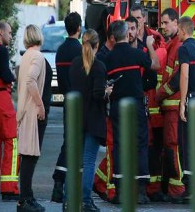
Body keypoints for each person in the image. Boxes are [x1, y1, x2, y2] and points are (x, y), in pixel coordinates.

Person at [104, 20, 159, 204]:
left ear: (113, 37)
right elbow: (155, 65)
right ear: (127, 34)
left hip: (118, 106)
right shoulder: (136, 54)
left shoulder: (108, 59)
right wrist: (150, 46)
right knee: (140, 144)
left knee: (119, 146)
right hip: (135, 105)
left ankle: (120, 192)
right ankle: (141, 192)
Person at [68, 29, 111, 212]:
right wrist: (107, 92)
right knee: (88, 160)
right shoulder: (99, 66)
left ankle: (68, 199)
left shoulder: (75, 64)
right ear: (97, 45)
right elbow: (97, 94)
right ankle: (86, 200)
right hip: (93, 120)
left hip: (76, 118)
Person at [129, 4, 167, 201]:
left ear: (144, 18)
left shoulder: (155, 39)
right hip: (138, 97)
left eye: (138, 18)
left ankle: (153, 187)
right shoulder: (128, 40)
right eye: (132, 19)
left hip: (153, 97)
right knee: (141, 143)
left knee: (155, 145)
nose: (135, 22)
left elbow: (159, 63)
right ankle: (140, 187)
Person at [174, 16, 195, 204]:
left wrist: (182, 103)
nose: (177, 33)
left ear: (184, 31)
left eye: (178, 30)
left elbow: (184, 75)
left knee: (187, 145)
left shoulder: (184, 49)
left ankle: (190, 189)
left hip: (192, 99)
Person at [51, 12, 82, 203]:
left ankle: (60, 183)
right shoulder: (80, 50)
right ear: (79, 28)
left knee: (69, 142)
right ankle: (61, 182)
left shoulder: (60, 50)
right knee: (74, 145)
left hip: (66, 101)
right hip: (78, 103)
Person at [155, 8, 185, 200]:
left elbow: (175, 79)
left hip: (174, 105)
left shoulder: (178, 47)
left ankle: (177, 190)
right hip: (171, 106)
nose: (163, 26)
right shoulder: (172, 45)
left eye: (166, 23)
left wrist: (159, 94)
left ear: (176, 23)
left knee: (173, 146)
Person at [16, 25, 47, 212]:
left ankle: (26, 197)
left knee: (27, 156)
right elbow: (30, 80)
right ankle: (25, 199)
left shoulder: (26, 56)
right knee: (30, 156)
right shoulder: (37, 56)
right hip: (32, 111)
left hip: (24, 110)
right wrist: (40, 104)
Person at [0, 21, 19, 201]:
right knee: (11, 141)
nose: (10, 35)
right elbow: (4, 73)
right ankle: (9, 188)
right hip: (1, 97)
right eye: (9, 32)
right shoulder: (0, 50)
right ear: (0, 32)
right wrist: (14, 76)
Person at [92, 22, 117, 201]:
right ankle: (107, 186)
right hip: (106, 109)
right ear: (112, 38)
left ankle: (99, 182)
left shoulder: (109, 55)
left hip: (112, 109)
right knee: (111, 149)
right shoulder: (102, 58)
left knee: (114, 149)